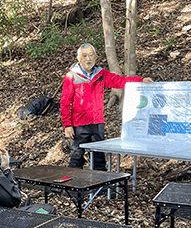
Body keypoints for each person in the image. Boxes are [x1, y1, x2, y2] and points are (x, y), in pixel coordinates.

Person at [61, 43, 154, 171]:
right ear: (78, 59)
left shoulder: (101, 74)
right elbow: (65, 102)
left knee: (99, 157)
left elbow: (120, 81)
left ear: (96, 57)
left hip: (97, 122)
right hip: (79, 124)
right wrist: (67, 125)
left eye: (91, 55)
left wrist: (140, 80)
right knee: (77, 157)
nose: (88, 58)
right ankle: (74, 189)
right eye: (84, 55)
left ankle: (100, 188)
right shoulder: (71, 76)